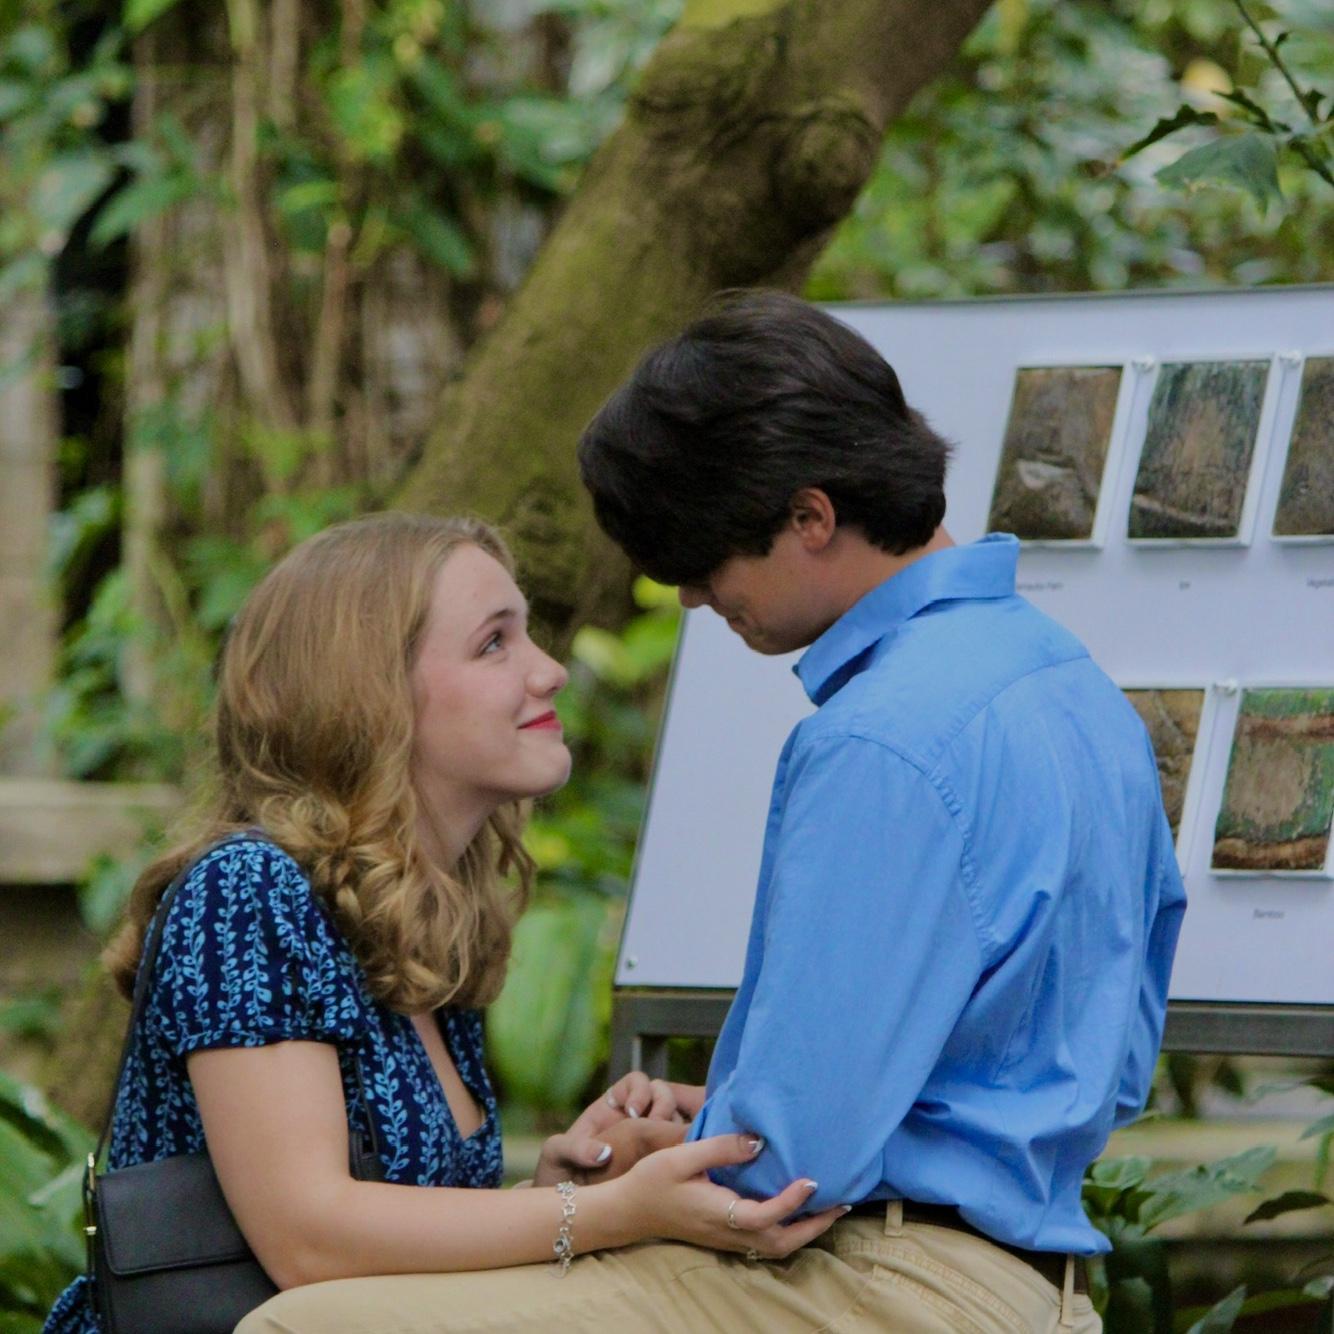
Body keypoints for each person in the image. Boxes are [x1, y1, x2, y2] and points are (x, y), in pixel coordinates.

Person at [237, 292, 1186, 1332]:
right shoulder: (1079, 694)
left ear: (809, 517)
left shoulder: (878, 738)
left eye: (702, 560)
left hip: (882, 1282)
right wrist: (707, 1125)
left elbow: (786, 1167)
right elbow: (1109, 1064)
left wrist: (683, 1161)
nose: (692, 598)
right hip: (1028, 1285)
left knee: (300, 1328)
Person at [44, 512, 843, 1334]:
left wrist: (565, 1188)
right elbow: (307, 1239)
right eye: (495, 643)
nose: (550, 672)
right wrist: (611, 1214)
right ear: (368, 696)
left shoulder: (418, 916)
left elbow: (393, 1247)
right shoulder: (249, 892)